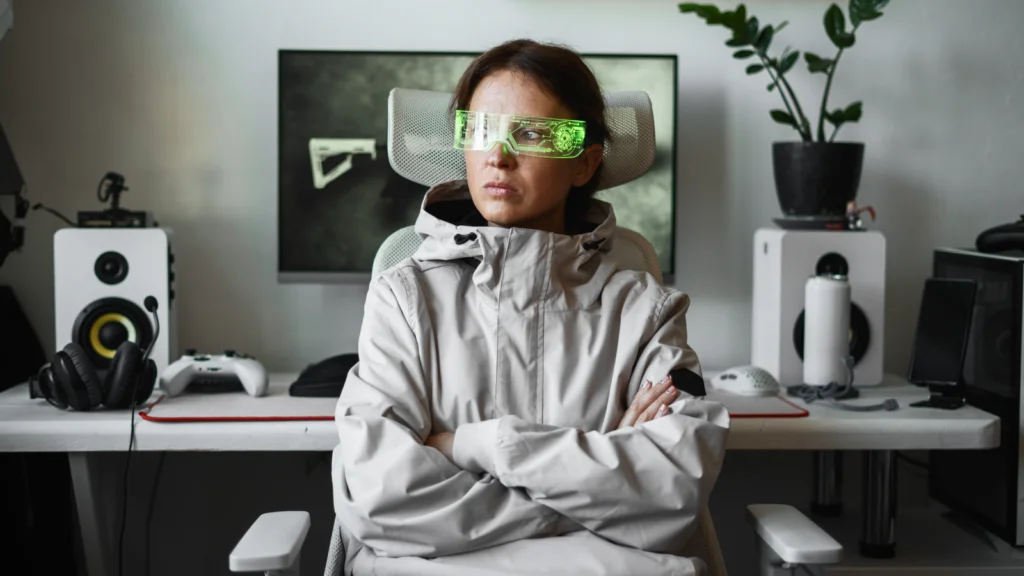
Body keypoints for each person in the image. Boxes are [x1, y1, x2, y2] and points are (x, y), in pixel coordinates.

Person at [331, 39, 730, 576]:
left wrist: (474, 446)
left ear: (584, 162)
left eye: (533, 133)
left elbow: (676, 486)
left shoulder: (646, 312)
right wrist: (602, 494)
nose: (497, 155)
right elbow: (382, 493)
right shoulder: (404, 298)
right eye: (480, 130)